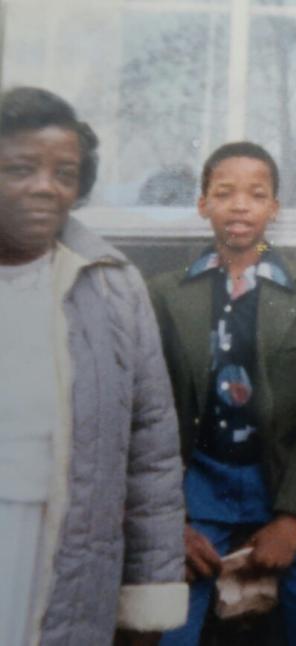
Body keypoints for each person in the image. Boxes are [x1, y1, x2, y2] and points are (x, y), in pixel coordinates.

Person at [150, 142, 296, 645]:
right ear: (204, 204)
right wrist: (168, 522)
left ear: (274, 208)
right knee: (169, 630)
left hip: (288, 480)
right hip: (199, 485)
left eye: (256, 194)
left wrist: (292, 520)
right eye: (224, 193)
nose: (240, 205)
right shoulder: (166, 292)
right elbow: (149, 416)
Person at [0, 86, 187, 645]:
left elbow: (152, 454)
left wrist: (149, 598)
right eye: (20, 168)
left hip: (65, 552)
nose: (44, 187)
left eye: (65, 172)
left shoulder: (110, 284)